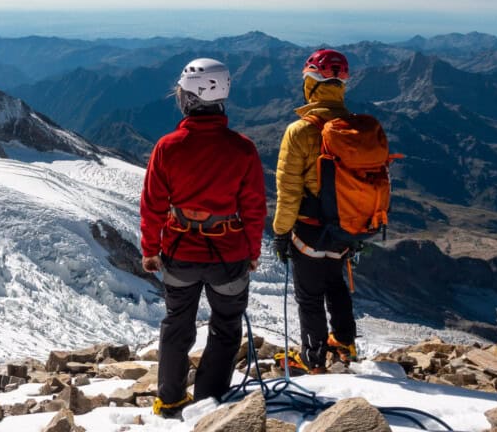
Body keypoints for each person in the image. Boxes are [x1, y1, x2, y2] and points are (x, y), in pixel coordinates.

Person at [140, 58, 267, 418]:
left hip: (180, 251)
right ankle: (209, 403)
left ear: (188, 97)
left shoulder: (168, 147)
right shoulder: (242, 149)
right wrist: (252, 252)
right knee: (226, 327)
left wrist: (150, 250)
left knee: (177, 323)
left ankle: (169, 400)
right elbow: (255, 209)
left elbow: (152, 206)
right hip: (229, 254)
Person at [272, 48, 359, 374]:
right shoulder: (354, 128)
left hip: (309, 228)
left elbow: (289, 191)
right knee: (335, 282)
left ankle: (312, 358)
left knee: (309, 295)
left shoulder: (301, 131)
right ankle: (345, 341)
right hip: (347, 226)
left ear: (311, 84)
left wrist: (281, 232)